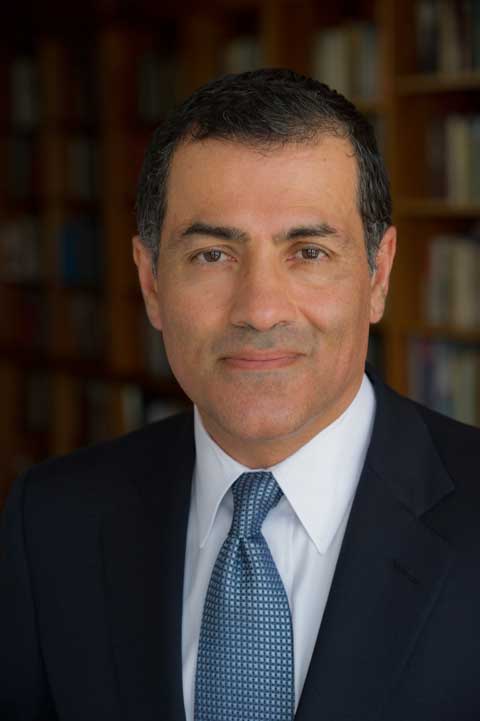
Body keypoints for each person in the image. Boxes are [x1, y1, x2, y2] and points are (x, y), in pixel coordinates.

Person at [1, 68, 479, 721]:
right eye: (213, 255)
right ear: (151, 282)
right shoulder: (51, 521)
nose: (259, 309)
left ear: (378, 275)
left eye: (308, 252)